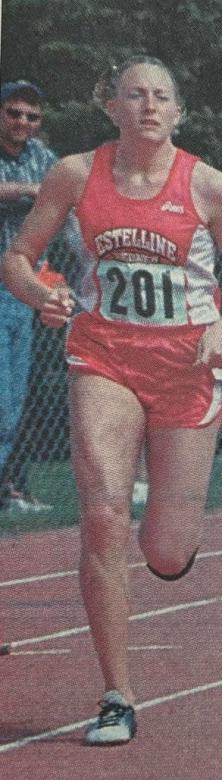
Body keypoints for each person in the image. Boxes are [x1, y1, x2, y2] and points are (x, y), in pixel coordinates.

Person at [0, 56, 222, 743]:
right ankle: (116, 693)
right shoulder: (75, 175)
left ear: (177, 112)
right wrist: (40, 295)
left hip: (186, 364)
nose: (148, 105)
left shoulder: (208, 185)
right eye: (134, 94)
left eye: (161, 96)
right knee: (104, 515)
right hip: (104, 355)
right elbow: (18, 256)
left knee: (168, 551)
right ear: (109, 105)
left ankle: (172, 545)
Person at [0, 80, 58, 512]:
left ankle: (11, 486)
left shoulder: (42, 158)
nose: (22, 122)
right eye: (14, 112)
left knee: (17, 396)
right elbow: (39, 193)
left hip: (24, 288)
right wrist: (27, 191)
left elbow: (68, 190)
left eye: (31, 116)